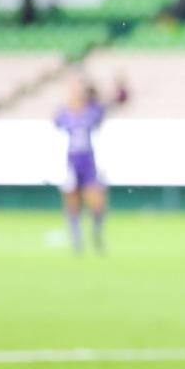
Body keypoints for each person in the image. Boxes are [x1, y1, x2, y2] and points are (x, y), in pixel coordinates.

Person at [54, 81, 112, 254]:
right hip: (71, 162)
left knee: (96, 200)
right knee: (72, 200)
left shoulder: (92, 112)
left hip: (89, 161)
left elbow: (103, 112)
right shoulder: (64, 113)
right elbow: (56, 126)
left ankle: (96, 234)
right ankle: (76, 238)